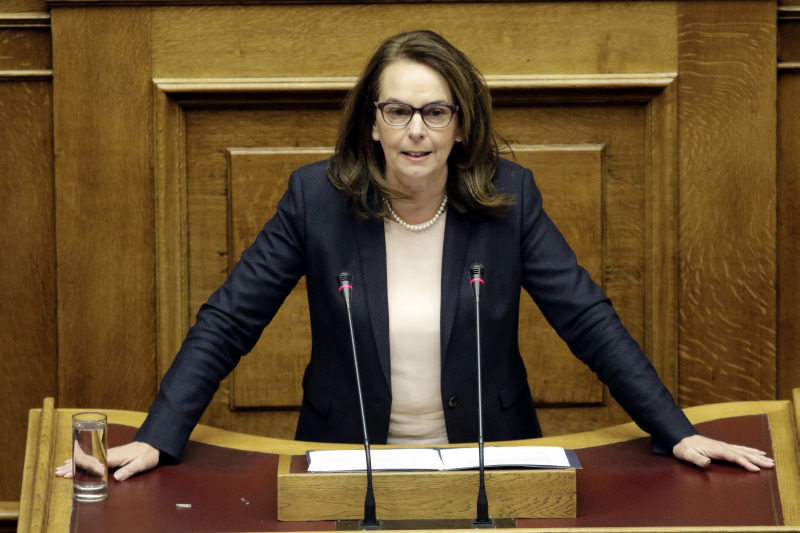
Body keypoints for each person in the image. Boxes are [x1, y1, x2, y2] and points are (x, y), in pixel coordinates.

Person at [57, 29, 773, 482]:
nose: (416, 131)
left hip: (489, 458)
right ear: (372, 124)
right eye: (397, 111)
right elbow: (228, 320)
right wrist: (158, 436)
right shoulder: (315, 200)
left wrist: (676, 432)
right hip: (347, 459)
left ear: (461, 126)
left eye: (435, 111)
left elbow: (588, 320)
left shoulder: (510, 199)